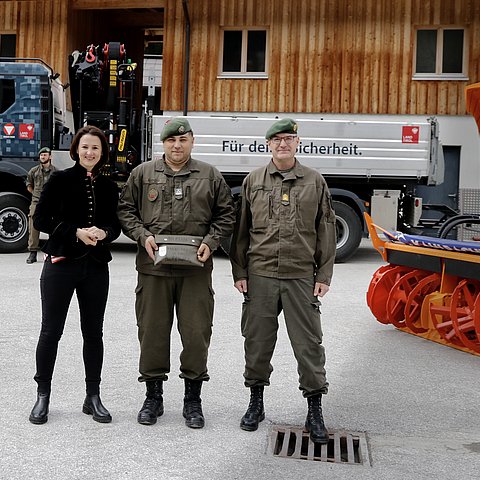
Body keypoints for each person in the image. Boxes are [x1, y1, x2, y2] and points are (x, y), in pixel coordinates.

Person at [117, 117, 235, 429]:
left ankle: (192, 399)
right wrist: (143, 236)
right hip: (153, 271)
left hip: (195, 272)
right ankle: (153, 397)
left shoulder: (209, 176)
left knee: (196, 335)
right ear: (163, 143)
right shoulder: (143, 174)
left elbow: (226, 214)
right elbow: (126, 210)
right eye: (171, 141)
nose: (177, 145)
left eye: (183, 140)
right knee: (152, 333)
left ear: (192, 141)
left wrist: (211, 243)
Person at [229, 118, 336, 444]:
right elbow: (241, 232)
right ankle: (256, 403)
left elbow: (326, 230)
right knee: (257, 342)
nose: (283, 144)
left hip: (300, 276)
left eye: (289, 138)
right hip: (260, 275)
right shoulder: (253, 181)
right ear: (269, 145)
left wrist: (324, 275)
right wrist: (240, 272)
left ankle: (314, 409)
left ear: (297, 142)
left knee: (308, 346)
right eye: (277, 140)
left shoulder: (314, 181)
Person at [29, 125, 121, 425]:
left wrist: (103, 232)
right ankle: (43, 396)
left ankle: (92, 396)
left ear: (102, 152)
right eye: (84, 147)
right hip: (61, 264)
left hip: (95, 267)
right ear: (76, 150)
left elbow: (115, 225)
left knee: (93, 333)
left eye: (95, 148)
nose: (89, 152)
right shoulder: (59, 179)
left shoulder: (108, 186)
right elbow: (40, 218)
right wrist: (76, 232)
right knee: (50, 331)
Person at [25, 147, 56, 264]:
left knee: (53, 225)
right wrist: (35, 194)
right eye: (41, 155)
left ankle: (52, 252)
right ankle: (33, 252)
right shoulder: (33, 171)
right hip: (37, 201)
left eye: (45, 155)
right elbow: (29, 184)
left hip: (51, 202)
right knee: (33, 225)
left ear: (50, 157)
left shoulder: (56, 172)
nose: (43, 157)